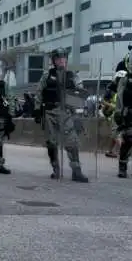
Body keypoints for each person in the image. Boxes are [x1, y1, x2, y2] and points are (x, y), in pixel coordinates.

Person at [33, 48, 89, 182]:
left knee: (72, 142)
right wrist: (36, 110)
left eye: (63, 58)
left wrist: (79, 112)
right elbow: (39, 94)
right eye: (58, 59)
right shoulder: (46, 76)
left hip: (67, 113)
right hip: (50, 113)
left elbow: (81, 95)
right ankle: (56, 168)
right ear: (54, 61)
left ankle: (76, 170)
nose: (61, 61)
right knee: (51, 143)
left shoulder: (73, 76)